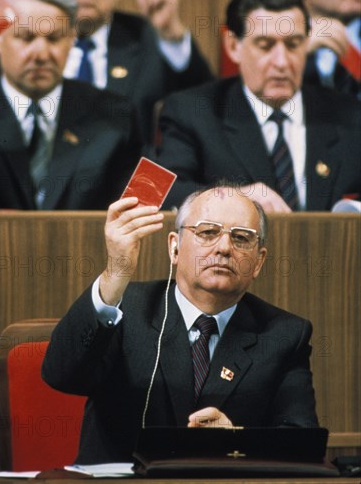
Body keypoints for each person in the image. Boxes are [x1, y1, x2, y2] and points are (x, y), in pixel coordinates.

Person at [42, 185, 318, 463]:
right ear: (175, 247)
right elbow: (61, 374)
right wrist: (115, 274)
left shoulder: (283, 334)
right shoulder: (123, 309)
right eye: (208, 232)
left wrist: (237, 440)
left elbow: (300, 444)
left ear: (258, 262)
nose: (224, 248)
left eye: (242, 238)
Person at [156, 0, 361, 212]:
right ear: (234, 46)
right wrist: (229, 197)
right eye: (265, 46)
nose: (282, 62)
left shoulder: (350, 116)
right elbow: (153, 191)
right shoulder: (191, 111)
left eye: (293, 45)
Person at [36, 0, 213, 147]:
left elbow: (204, 106)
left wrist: (170, 32)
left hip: (128, 178)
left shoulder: (146, 39)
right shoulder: (19, 44)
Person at [0, 0, 141, 210]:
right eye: (26, 37)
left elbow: (137, 208)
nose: (41, 54)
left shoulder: (114, 114)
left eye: (54, 38)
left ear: (72, 39)